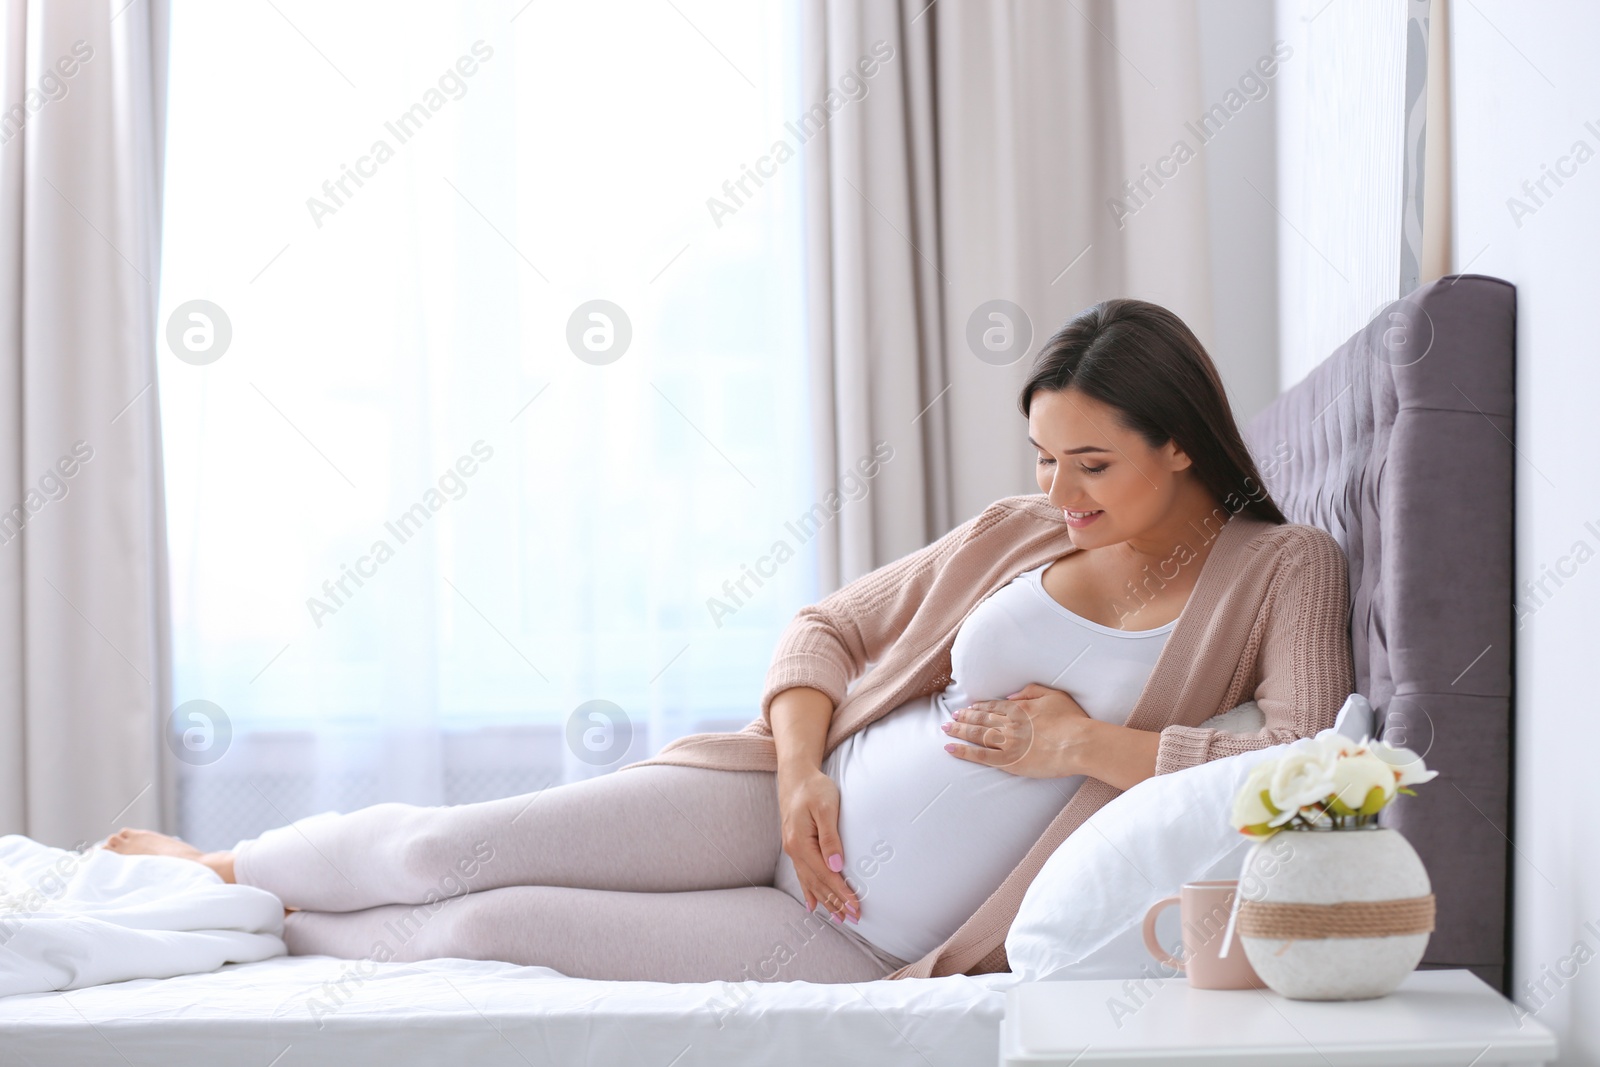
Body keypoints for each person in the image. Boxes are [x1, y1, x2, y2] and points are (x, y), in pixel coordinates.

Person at [103, 298, 1353, 984]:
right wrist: (803, 772)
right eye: (1044, 458)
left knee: (485, 929)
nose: (1063, 492)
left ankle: (266, 927)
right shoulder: (1017, 529)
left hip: (858, 929)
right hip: (773, 807)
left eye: (1094, 462)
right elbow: (826, 626)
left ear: (1180, 440)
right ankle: (219, 867)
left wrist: (1088, 742)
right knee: (447, 844)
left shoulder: (1280, 569)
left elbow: (1304, 769)